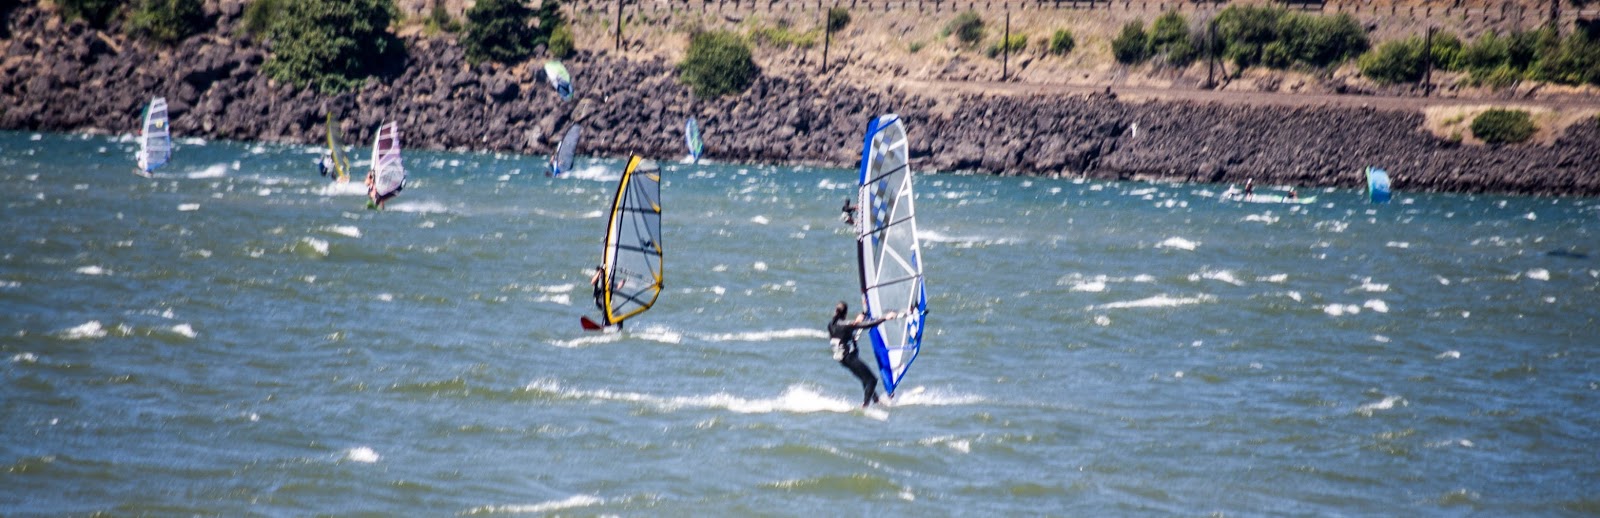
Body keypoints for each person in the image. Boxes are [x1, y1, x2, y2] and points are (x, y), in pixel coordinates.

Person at [827, 302, 901, 407]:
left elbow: (844, 333)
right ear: (845, 313)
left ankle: (876, 400)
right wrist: (885, 318)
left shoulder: (831, 324)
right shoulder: (846, 325)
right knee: (872, 380)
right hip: (849, 358)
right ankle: (865, 406)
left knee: (865, 379)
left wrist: (858, 319)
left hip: (842, 359)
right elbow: (867, 325)